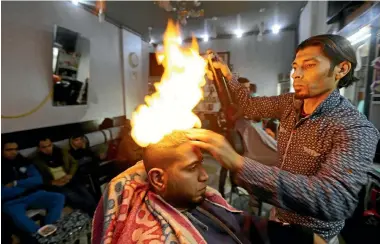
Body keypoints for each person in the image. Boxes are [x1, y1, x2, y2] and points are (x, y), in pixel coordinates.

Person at [186, 35, 380, 243]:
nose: (296, 74)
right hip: (278, 218)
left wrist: (238, 162)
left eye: (309, 65)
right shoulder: (291, 103)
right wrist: (225, 74)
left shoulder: (355, 129)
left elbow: (334, 200)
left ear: (341, 69)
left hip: (314, 235)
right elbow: (248, 106)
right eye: (295, 67)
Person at [92, 131, 326, 244]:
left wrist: (302, 237)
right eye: (192, 168)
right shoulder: (154, 238)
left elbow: (245, 225)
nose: (205, 177)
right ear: (158, 179)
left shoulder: (205, 205)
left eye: (201, 165)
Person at [1, 139, 65, 235]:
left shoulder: (23, 161)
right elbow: (3, 193)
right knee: (21, 220)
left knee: (59, 197)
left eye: (15, 149)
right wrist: (27, 184)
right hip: (12, 201)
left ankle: (50, 228)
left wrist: (15, 183)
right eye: (9, 150)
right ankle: (41, 237)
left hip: (32, 194)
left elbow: (38, 180)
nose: (14, 152)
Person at [32, 137, 97, 216]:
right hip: (57, 184)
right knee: (75, 198)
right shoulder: (36, 160)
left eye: (49, 145)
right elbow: (37, 178)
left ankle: (96, 215)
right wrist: (53, 182)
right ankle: (91, 216)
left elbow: (74, 163)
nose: (48, 149)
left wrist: (70, 174)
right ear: (39, 148)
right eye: (44, 147)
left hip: (69, 178)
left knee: (87, 194)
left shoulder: (61, 152)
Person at [63, 132, 102, 199]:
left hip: (91, 176)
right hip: (80, 178)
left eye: (81, 139)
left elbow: (95, 160)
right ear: (72, 142)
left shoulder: (87, 150)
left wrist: (84, 150)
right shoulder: (69, 154)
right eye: (76, 140)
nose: (79, 142)